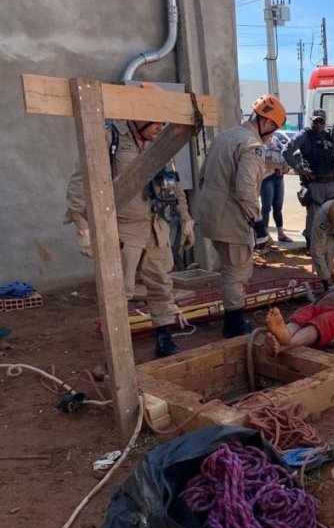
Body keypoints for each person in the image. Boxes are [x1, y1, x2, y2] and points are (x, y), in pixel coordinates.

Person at [65, 82, 195, 358]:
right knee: (119, 291)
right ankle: (117, 349)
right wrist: (82, 227)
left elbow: (174, 183)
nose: (161, 126)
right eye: (157, 120)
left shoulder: (160, 144)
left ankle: (164, 336)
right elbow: (80, 182)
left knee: (161, 284)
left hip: (156, 226)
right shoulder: (109, 137)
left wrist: (185, 219)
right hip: (124, 230)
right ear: (139, 113)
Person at [198, 93, 286, 337]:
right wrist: (257, 223)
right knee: (236, 272)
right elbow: (246, 189)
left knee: (228, 267)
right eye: (273, 131)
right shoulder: (252, 146)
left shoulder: (226, 136)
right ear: (266, 123)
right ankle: (234, 324)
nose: (271, 137)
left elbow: (203, 175)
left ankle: (232, 318)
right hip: (231, 218)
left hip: (210, 215)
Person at [288, 108, 334, 253]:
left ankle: (332, 244)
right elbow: (286, 151)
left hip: (331, 182)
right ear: (312, 121)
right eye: (316, 121)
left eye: (321, 121)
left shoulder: (330, 136)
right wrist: (299, 168)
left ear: (325, 122)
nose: (319, 124)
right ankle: (311, 245)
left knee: (333, 214)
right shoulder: (304, 136)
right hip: (314, 183)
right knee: (314, 215)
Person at [263, 286, 334, 355]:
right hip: (317, 306)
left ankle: (285, 344)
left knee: (323, 322)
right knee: (302, 315)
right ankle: (286, 333)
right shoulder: (333, 288)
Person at [260, 133, 290, 243]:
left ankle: (280, 233)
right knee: (266, 207)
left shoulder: (276, 140)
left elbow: (284, 153)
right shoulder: (259, 141)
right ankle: (265, 234)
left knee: (278, 206)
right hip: (266, 177)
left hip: (279, 177)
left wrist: (285, 165)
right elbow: (261, 160)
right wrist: (277, 166)